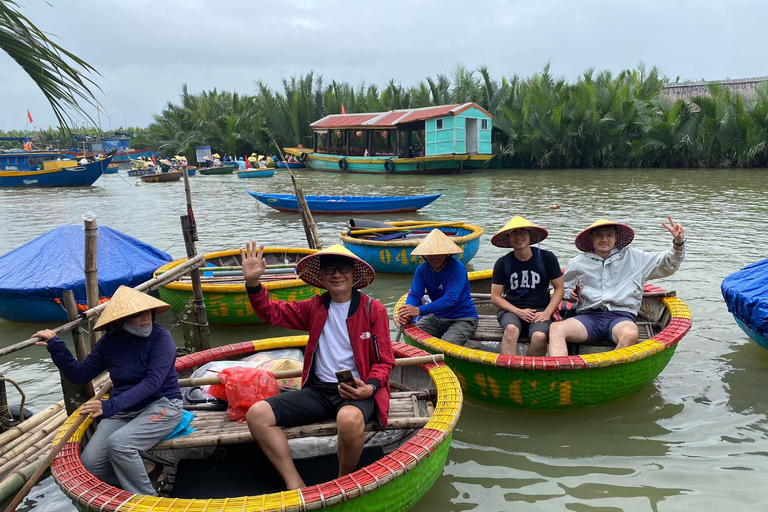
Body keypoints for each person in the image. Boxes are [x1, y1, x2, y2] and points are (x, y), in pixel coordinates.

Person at [242, 243, 395, 490]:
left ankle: (343, 481)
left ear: (354, 273)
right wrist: (253, 284)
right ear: (321, 277)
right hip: (318, 391)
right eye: (329, 269)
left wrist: (369, 387)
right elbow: (273, 312)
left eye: (343, 268)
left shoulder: (372, 309)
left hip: (356, 391)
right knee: (257, 415)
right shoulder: (314, 307)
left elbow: (385, 360)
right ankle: (295, 482)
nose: (337, 274)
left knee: (348, 419)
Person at [33, 286, 182, 495]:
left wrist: (109, 406)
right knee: (91, 464)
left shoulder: (161, 338)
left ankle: (147, 501)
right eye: (137, 314)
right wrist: (56, 346)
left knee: (119, 444)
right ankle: (150, 470)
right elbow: (80, 374)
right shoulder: (109, 343)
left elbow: (153, 383)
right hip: (123, 410)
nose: (146, 318)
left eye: (148, 312)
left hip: (162, 404)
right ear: (121, 320)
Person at [548, 217, 686, 357]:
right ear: (591, 238)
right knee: (556, 329)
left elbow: (666, 264)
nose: (604, 239)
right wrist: (570, 294)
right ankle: (560, 375)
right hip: (588, 317)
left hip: (620, 316)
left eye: (609, 235)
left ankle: (608, 371)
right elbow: (561, 289)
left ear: (616, 238)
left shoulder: (634, 257)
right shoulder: (578, 262)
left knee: (630, 334)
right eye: (599, 235)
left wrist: (678, 244)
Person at [489, 216, 564, 356]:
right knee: (510, 330)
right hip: (511, 311)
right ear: (509, 238)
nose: (519, 236)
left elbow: (559, 288)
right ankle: (509, 371)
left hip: (540, 310)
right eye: (514, 233)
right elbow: (495, 297)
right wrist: (518, 311)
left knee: (539, 337)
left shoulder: (547, 258)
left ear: (530, 235)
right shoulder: (502, 262)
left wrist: (547, 312)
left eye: (523, 232)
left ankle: (529, 372)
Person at [395, 229, 478, 345]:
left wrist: (419, 310)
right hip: (436, 317)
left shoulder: (457, 269)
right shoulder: (422, 270)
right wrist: (407, 311)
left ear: (447, 253)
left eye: (438, 253)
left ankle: (470, 346)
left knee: (446, 345)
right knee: (414, 335)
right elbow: (415, 294)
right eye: (430, 253)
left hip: (462, 318)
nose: (434, 257)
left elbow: (450, 299)